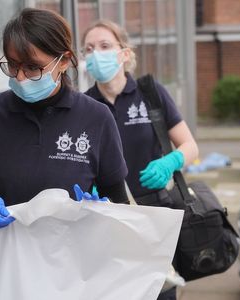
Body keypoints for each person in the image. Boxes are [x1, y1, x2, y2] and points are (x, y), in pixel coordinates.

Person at [0, 8, 129, 241]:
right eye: (13, 65)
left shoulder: (95, 117)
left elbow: (122, 209)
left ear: (64, 61)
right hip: (9, 265)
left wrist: (104, 213)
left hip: (75, 267)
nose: (20, 77)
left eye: (33, 67)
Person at [82, 20, 199, 300]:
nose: (96, 53)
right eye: (88, 49)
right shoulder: (84, 106)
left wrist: (169, 162)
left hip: (154, 214)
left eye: (105, 46)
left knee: (159, 292)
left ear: (124, 53)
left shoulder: (150, 93)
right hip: (108, 219)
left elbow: (190, 146)